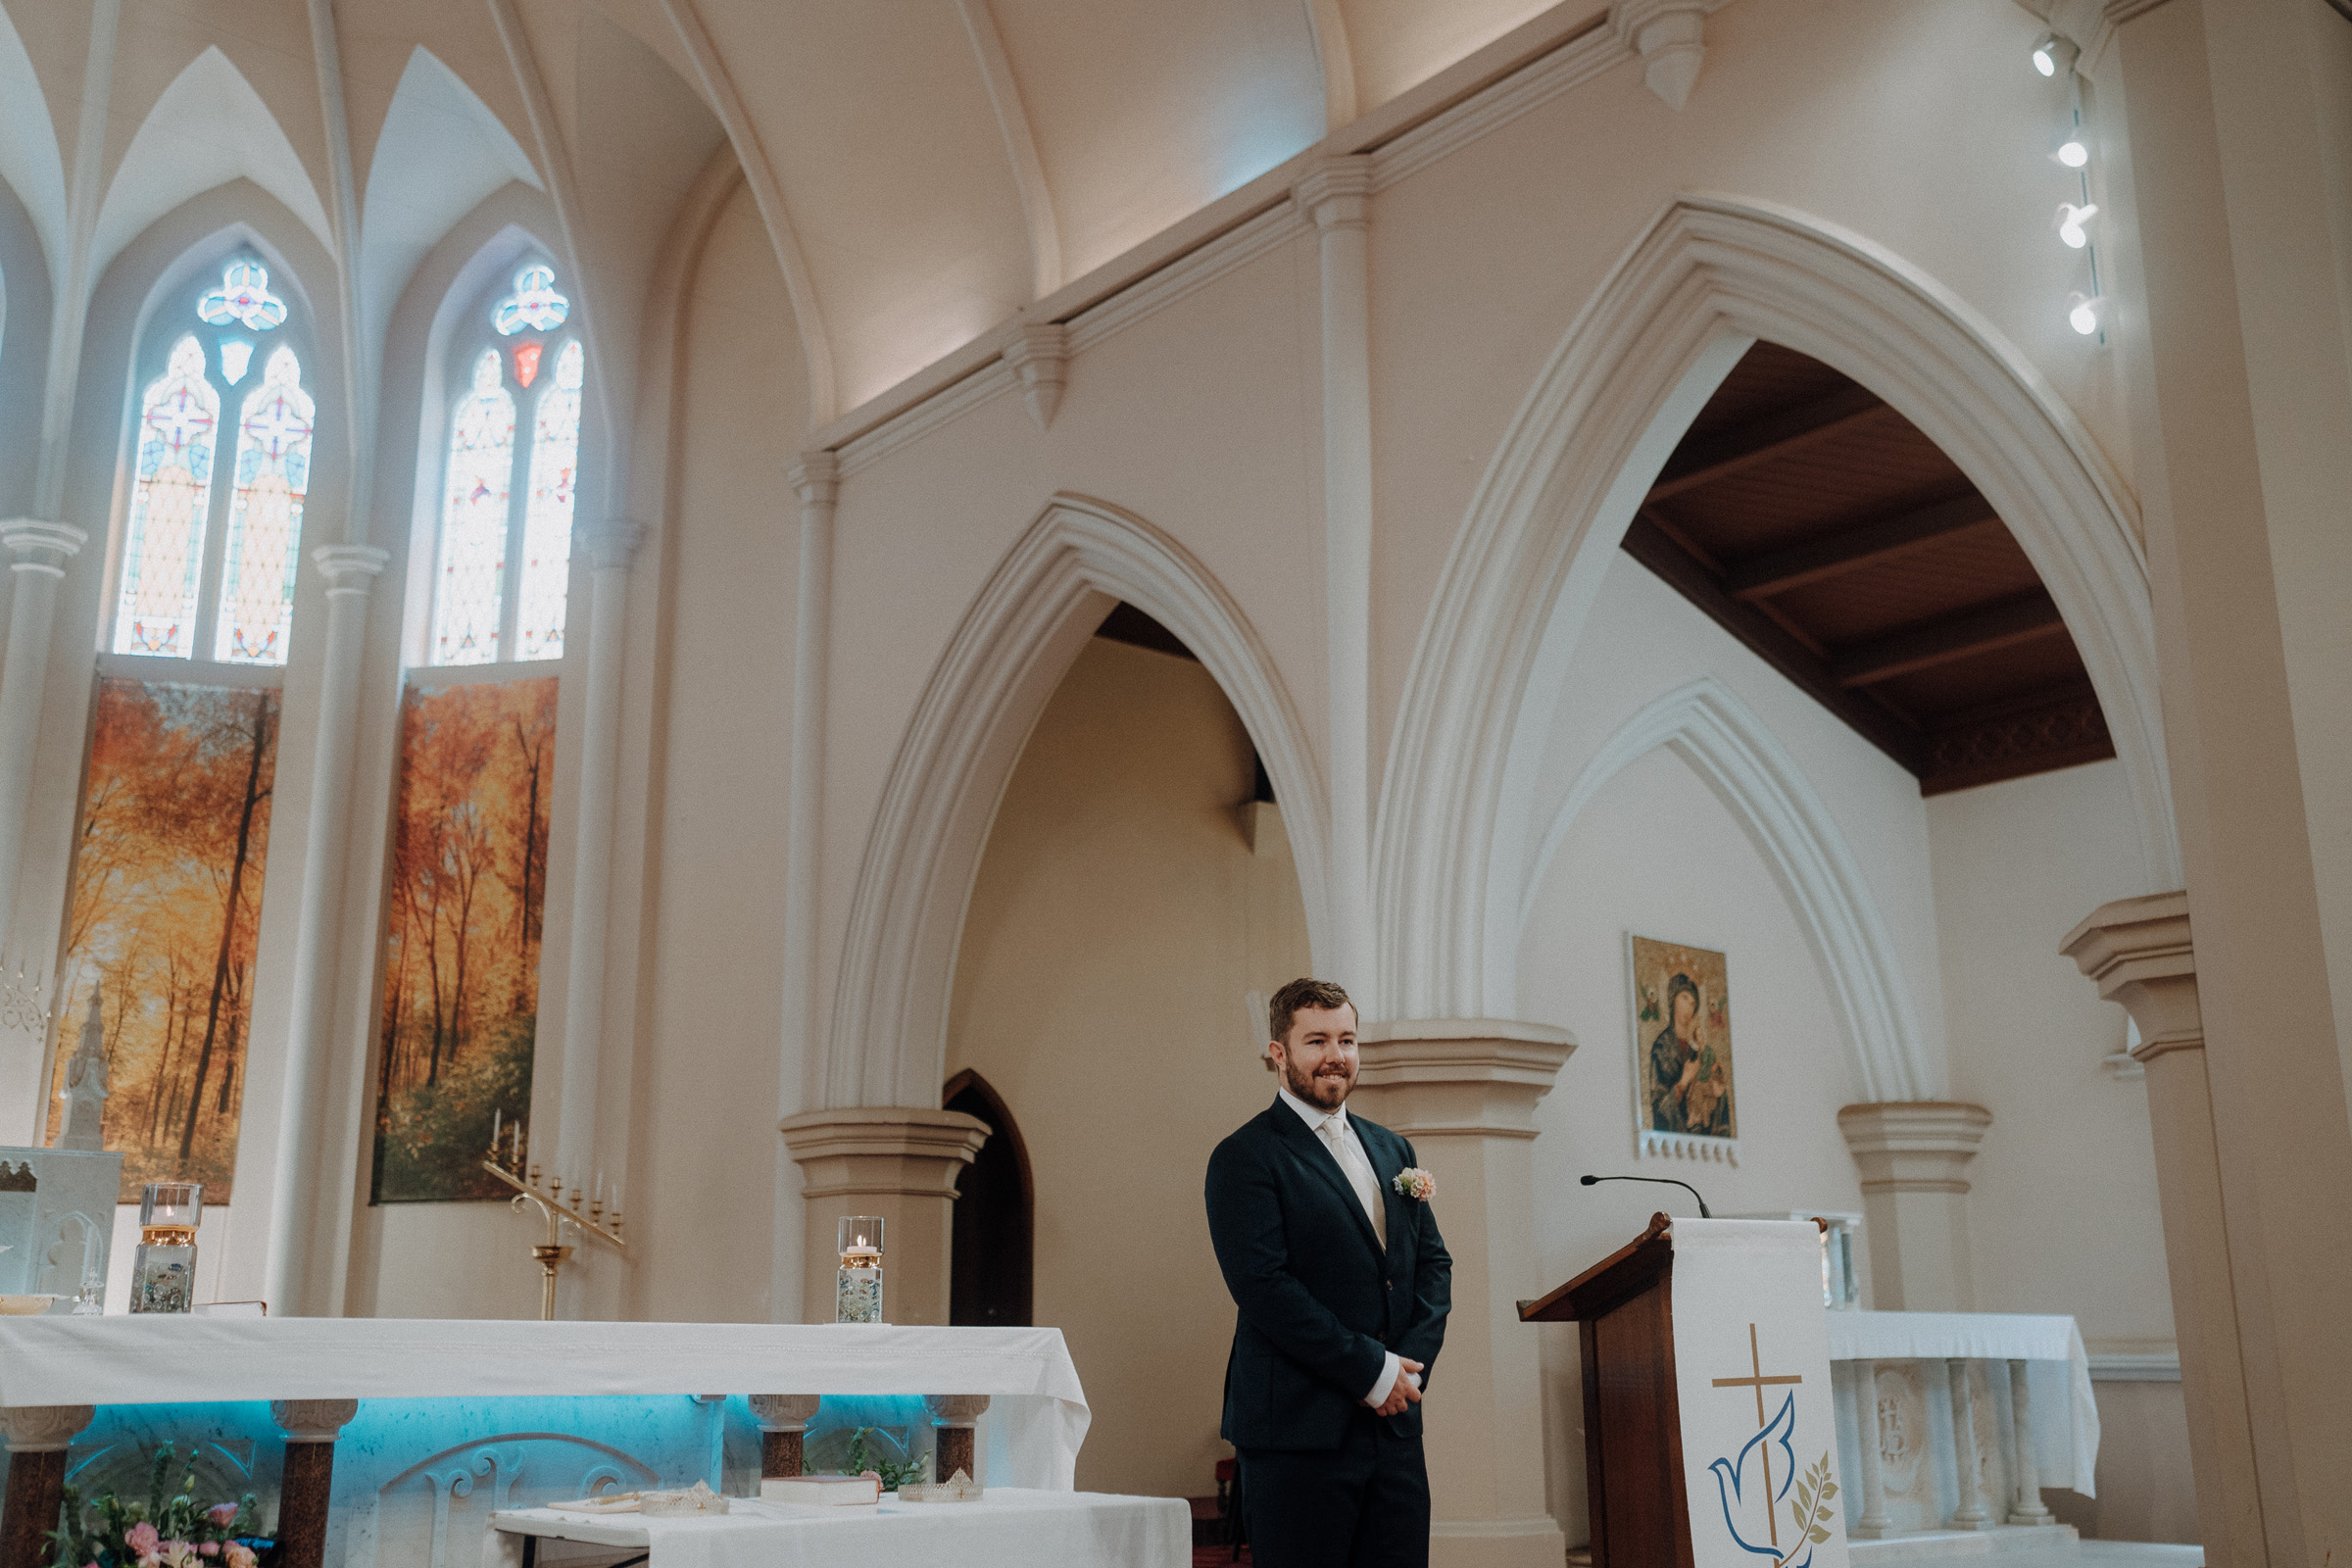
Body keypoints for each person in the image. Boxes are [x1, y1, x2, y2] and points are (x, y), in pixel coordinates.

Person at [1204, 978, 1452, 1568]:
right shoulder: (1245, 1156)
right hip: (1296, 1431)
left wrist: (1404, 1374)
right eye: (1316, 1040)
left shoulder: (1394, 1151)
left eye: (1347, 1039)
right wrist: (1372, 1370)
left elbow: (1432, 1265)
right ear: (1278, 1052)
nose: (1336, 1056)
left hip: (1392, 1430)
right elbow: (1265, 1289)